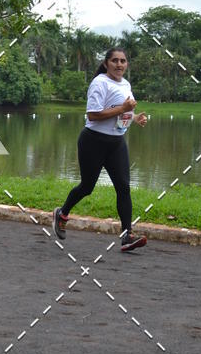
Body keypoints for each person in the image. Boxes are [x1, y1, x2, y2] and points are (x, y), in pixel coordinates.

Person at [53, 47, 148, 253]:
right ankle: (62, 213)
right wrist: (123, 109)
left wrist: (134, 117)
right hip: (93, 142)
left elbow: (122, 111)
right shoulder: (99, 83)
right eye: (115, 60)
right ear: (106, 64)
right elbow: (93, 115)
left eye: (123, 61)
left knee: (123, 187)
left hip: (116, 143)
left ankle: (127, 235)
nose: (119, 64)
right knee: (87, 187)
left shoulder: (126, 84)